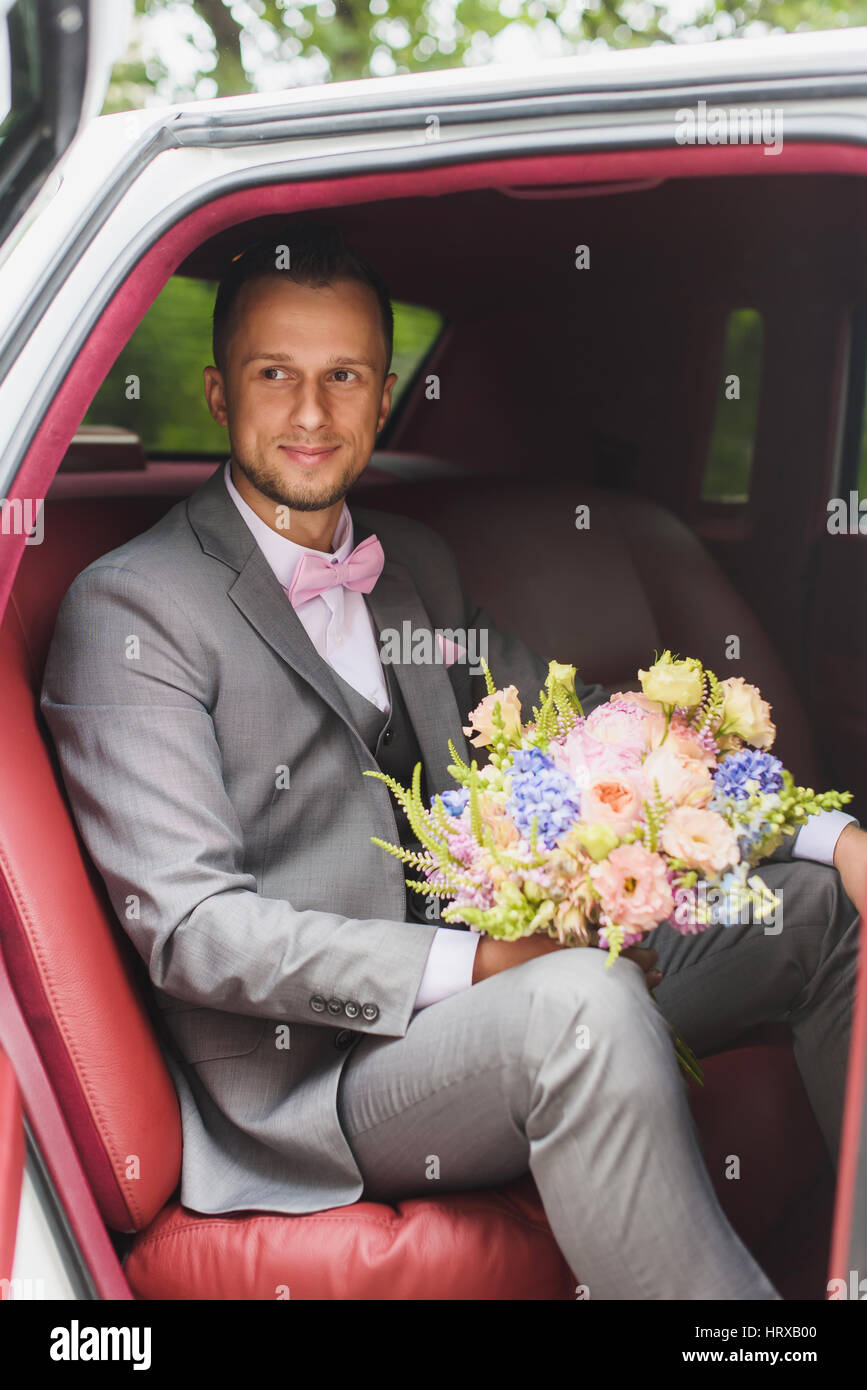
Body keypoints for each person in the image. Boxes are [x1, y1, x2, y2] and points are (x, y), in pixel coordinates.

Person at [40, 223, 865, 1300]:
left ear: (383, 397)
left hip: (500, 993)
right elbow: (197, 932)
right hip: (319, 1081)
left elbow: (579, 733)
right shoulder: (132, 609)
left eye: (343, 378)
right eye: (274, 374)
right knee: (583, 999)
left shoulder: (412, 568)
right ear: (217, 392)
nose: (309, 413)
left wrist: (824, 831)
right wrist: (477, 964)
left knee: (818, 907)